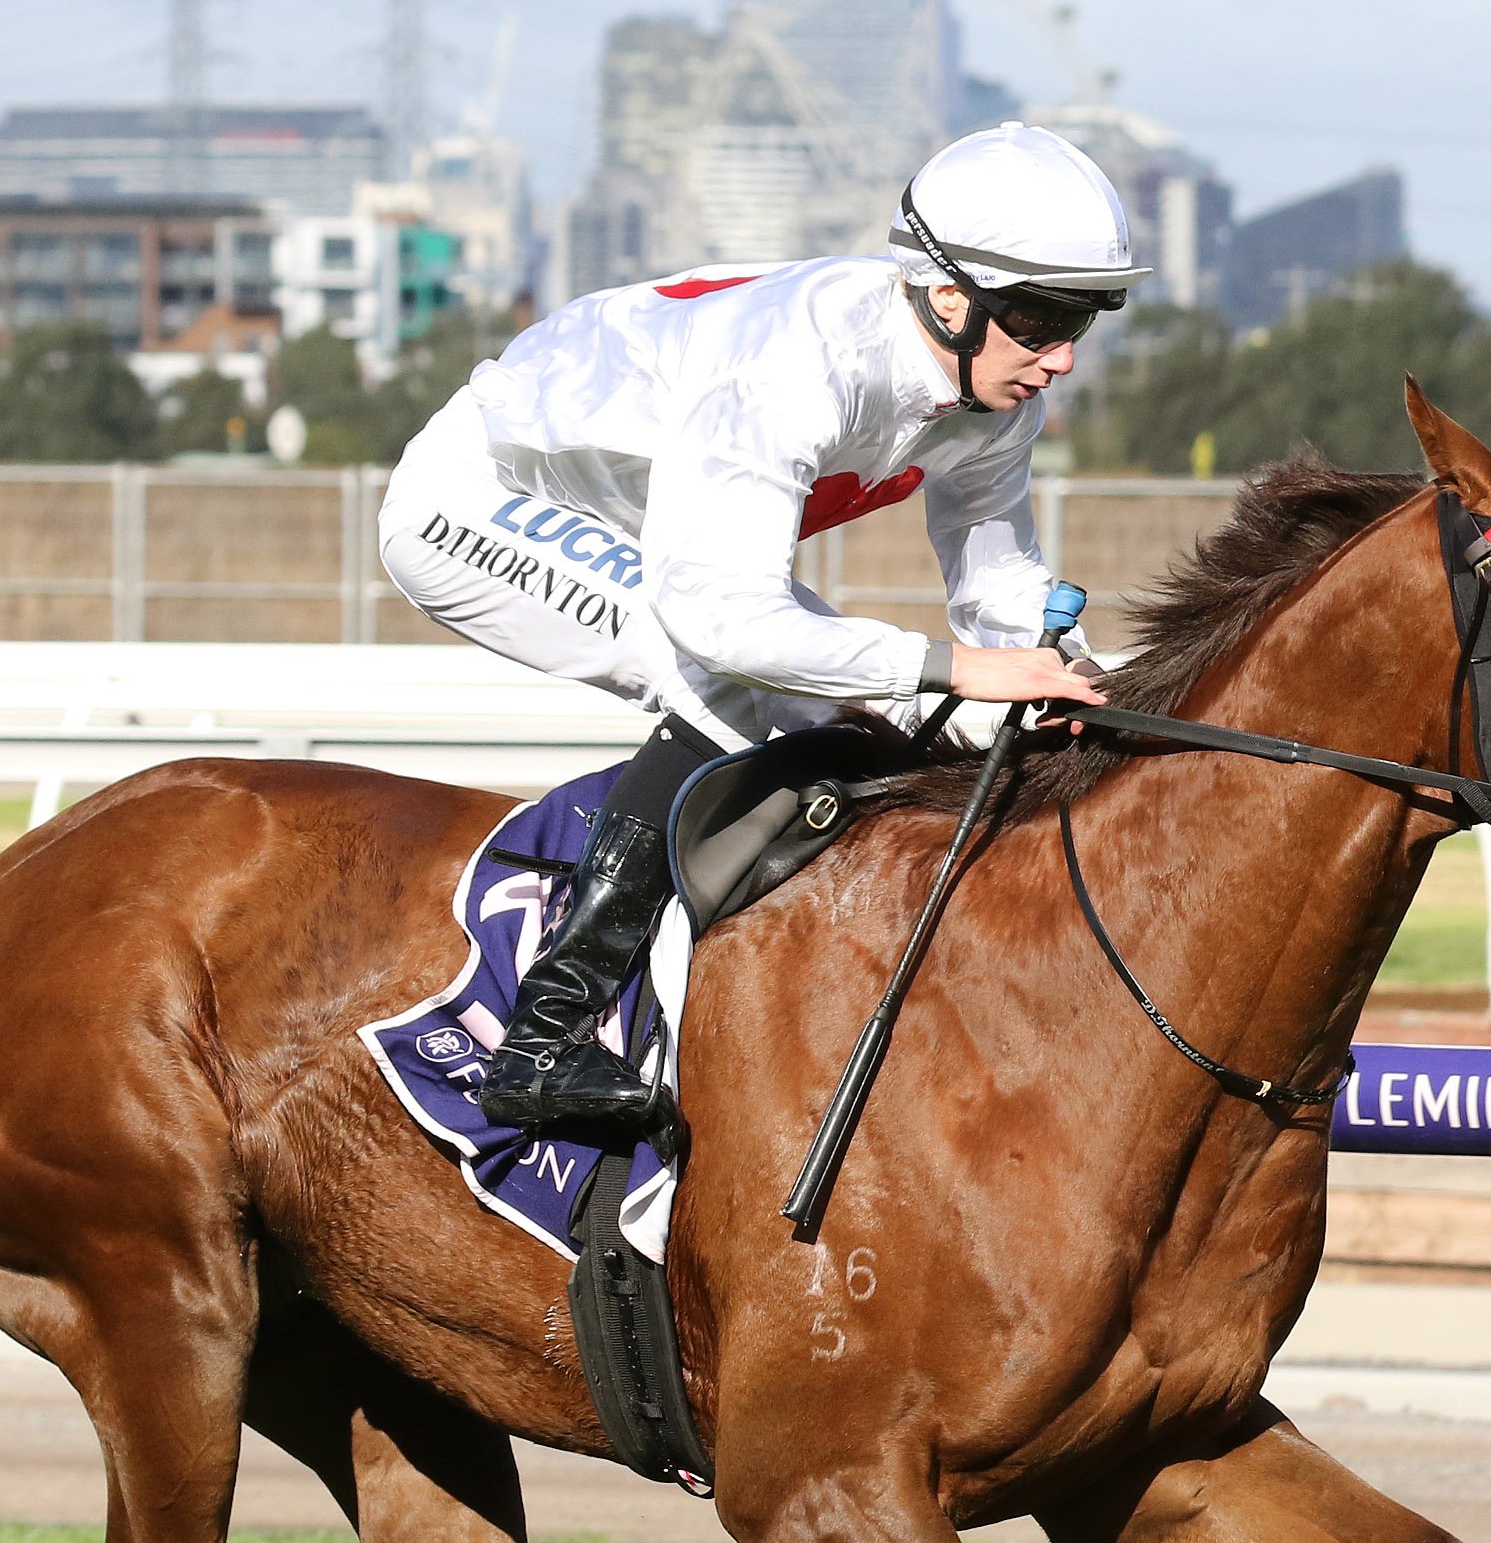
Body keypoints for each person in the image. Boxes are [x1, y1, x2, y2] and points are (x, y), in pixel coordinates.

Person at [379, 121, 1136, 1132]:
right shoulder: (798, 365)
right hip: (480, 498)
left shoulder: (996, 395)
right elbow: (721, 621)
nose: (1063, 359)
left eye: (1083, 320)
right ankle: (541, 1041)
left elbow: (996, 586)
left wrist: (1055, 669)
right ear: (949, 297)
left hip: (643, 528)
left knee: (906, 709)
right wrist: (955, 668)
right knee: (728, 675)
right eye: (1041, 321)